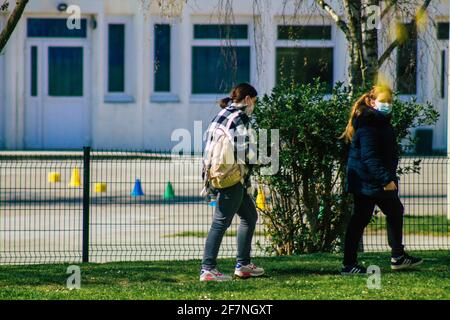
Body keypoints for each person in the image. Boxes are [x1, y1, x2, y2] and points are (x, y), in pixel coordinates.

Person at [340, 85, 423, 275]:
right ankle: (349, 264)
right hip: (368, 181)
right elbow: (370, 157)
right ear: (371, 102)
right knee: (361, 219)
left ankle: (398, 256)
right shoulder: (369, 123)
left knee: (392, 211)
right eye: (383, 101)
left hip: (371, 180)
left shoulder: (378, 121)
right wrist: (386, 179)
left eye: (389, 101)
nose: (387, 105)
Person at [199, 83, 265, 282]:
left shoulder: (223, 113)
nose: (254, 105)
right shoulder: (239, 118)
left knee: (249, 216)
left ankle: (243, 265)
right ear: (247, 99)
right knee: (221, 221)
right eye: (254, 101)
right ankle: (208, 268)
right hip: (231, 177)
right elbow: (246, 152)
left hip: (217, 174)